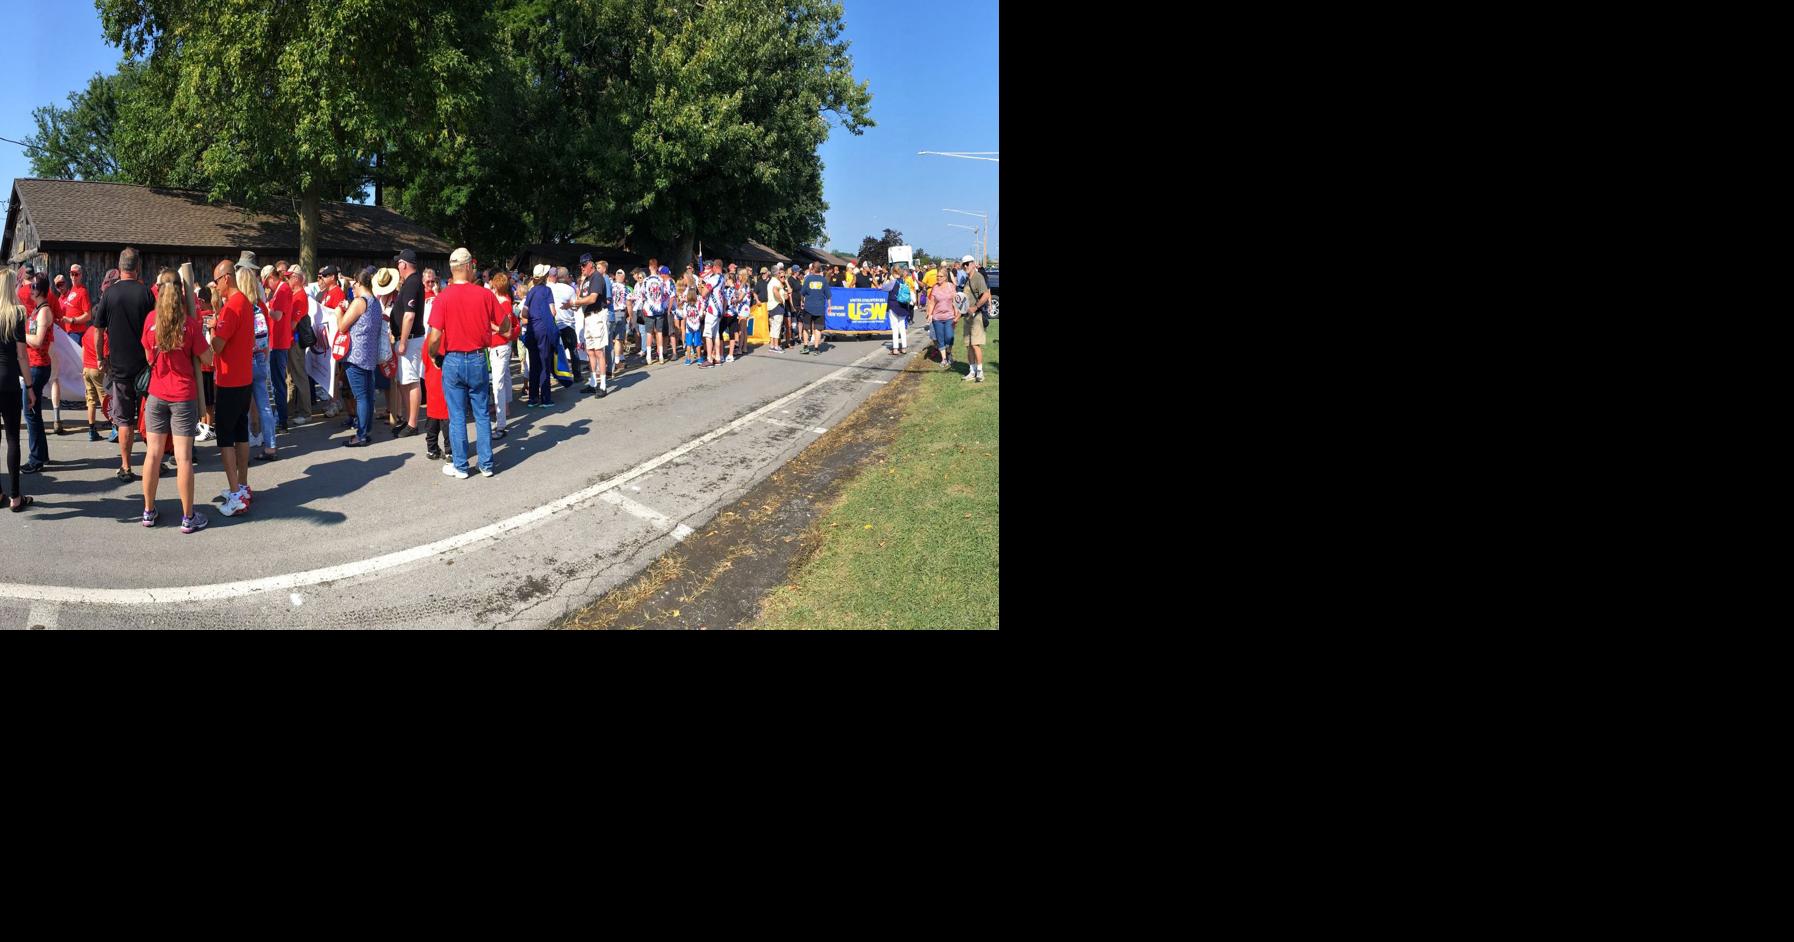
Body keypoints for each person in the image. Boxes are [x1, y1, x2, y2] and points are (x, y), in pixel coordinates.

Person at [139, 270, 212, 532]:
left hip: (157, 395)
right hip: (182, 396)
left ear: (158, 290)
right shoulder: (190, 324)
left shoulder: (150, 320)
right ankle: (188, 516)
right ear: (182, 291)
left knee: (153, 455)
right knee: (182, 458)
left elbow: (148, 357)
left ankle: (148, 511)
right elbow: (208, 359)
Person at [425, 247, 502, 479]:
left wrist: (432, 355)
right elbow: (506, 325)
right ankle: (486, 464)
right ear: (469, 267)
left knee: (456, 414)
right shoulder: (485, 294)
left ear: (452, 268)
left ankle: (460, 466)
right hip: (478, 357)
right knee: (481, 412)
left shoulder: (443, 297)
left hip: (453, 359)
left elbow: (435, 336)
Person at [206, 259, 258, 516]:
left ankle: (236, 491)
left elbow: (217, 346)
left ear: (226, 278)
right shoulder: (245, 303)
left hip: (229, 381)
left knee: (226, 437)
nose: (215, 286)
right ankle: (242, 485)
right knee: (240, 433)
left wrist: (212, 328)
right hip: (243, 379)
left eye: (216, 281)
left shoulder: (232, 307)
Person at [336, 266, 384, 448]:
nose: (352, 287)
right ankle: (366, 431)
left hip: (356, 355)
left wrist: (338, 312)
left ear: (359, 282)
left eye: (354, 283)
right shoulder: (375, 302)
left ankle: (361, 434)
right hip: (369, 354)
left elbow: (342, 326)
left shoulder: (359, 301)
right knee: (368, 395)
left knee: (361, 396)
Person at [1, 269, 35, 510]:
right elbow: (22, 355)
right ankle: (15, 496)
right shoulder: (17, 313)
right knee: (13, 437)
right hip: (9, 381)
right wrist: (30, 386)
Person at [17, 273, 55, 474]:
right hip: (35, 365)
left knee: (30, 413)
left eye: (33, 287)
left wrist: (19, 335)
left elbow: (39, 340)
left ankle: (36, 458)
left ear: (40, 290)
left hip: (37, 366)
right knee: (35, 413)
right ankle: (42, 455)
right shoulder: (38, 310)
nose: (30, 290)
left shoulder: (44, 311)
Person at [243, 261, 280, 461]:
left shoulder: (240, 307)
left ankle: (241, 449)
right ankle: (271, 445)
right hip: (260, 357)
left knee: (241, 406)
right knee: (265, 406)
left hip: (245, 360)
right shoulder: (261, 307)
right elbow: (266, 336)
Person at [386, 249, 425, 439]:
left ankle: (412, 423)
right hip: (407, 338)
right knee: (403, 381)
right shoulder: (411, 282)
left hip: (410, 339)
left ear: (403, 264)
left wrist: (402, 341)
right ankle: (409, 419)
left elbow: (409, 315)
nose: (397, 267)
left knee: (411, 381)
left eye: (398, 263)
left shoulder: (412, 282)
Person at [573, 254, 611, 396]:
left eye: (583, 265)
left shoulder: (597, 277)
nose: (581, 269)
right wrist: (573, 305)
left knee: (599, 351)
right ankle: (593, 381)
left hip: (597, 315)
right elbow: (581, 298)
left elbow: (593, 298)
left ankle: (603, 385)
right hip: (588, 316)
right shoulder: (587, 279)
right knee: (590, 351)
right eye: (580, 266)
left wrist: (575, 303)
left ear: (590, 264)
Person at [282, 266, 315, 425]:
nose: (287, 279)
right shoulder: (296, 294)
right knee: (292, 376)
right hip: (291, 341)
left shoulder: (300, 296)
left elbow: (293, 323)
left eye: (289, 277)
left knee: (299, 375)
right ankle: (293, 409)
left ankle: (305, 412)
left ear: (297, 278)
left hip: (295, 341)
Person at [486, 271, 517, 440]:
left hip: (499, 346)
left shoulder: (503, 303)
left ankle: (501, 424)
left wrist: (491, 325)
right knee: (504, 380)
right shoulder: (505, 300)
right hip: (501, 346)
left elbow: (506, 331)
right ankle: (504, 413)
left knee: (498, 384)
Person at [523, 264, 558, 407]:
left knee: (534, 363)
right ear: (545, 276)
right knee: (544, 364)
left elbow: (524, 313)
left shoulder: (531, 291)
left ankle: (532, 398)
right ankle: (545, 398)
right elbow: (553, 311)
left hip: (532, 329)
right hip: (543, 329)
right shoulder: (547, 291)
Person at [548, 265, 580, 386]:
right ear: (566, 277)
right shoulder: (570, 289)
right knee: (573, 351)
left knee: (556, 352)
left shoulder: (550, 288)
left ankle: (556, 374)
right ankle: (577, 375)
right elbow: (575, 307)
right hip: (568, 324)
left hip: (555, 324)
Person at [960, 256, 991, 383]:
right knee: (968, 346)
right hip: (967, 317)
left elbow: (986, 294)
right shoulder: (967, 280)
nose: (965, 266)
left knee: (975, 344)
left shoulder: (978, 277)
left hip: (976, 316)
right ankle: (972, 371)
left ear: (973, 264)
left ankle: (980, 372)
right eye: (963, 265)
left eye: (967, 264)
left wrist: (975, 307)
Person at [927, 260, 959, 371]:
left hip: (949, 316)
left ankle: (949, 352)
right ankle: (944, 359)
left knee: (949, 337)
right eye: (937, 276)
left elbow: (955, 301)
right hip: (937, 318)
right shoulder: (935, 287)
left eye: (940, 276)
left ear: (945, 277)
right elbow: (932, 302)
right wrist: (930, 314)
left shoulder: (951, 287)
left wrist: (956, 314)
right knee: (940, 339)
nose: (938, 278)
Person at [801, 262, 831, 355]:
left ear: (813, 269)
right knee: (817, 329)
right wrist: (830, 306)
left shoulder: (808, 279)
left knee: (806, 328)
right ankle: (816, 349)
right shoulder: (824, 280)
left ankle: (806, 347)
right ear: (820, 269)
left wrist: (802, 302)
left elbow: (802, 293)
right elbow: (828, 296)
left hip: (808, 307)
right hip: (820, 308)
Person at [883, 266, 913, 356]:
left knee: (895, 328)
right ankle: (904, 347)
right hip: (903, 305)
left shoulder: (892, 282)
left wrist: (885, 278)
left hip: (894, 305)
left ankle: (895, 348)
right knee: (902, 327)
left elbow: (883, 288)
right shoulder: (903, 281)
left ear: (892, 272)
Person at [766, 263, 789, 352]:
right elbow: (775, 290)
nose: (780, 274)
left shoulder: (771, 281)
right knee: (777, 326)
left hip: (771, 306)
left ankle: (772, 345)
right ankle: (776, 346)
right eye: (779, 272)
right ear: (777, 273)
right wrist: (781, 300)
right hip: (777, 306)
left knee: (773, 326)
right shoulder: (776, 282)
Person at [680, 288, 704, 367]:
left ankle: (688, 359)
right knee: (698, 343)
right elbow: (701, 315)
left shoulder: (686, 305)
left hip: (689, 327)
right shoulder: (698, 304)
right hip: (697, 326)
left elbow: (684, 316)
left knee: (689, 344)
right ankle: (699, 358)